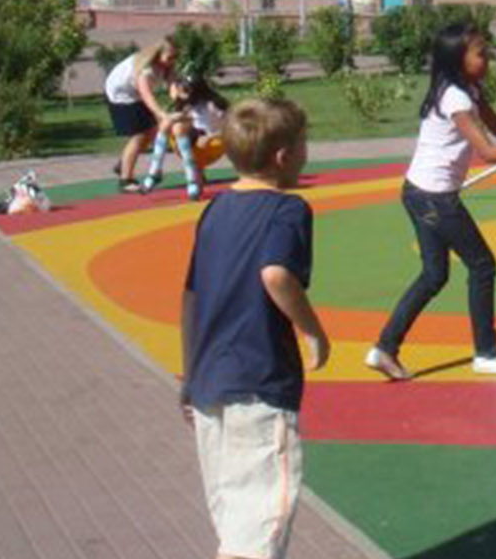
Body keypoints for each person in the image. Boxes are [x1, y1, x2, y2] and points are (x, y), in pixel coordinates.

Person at [180, 98, 328, 559]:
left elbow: (191, 296)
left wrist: (190, 374)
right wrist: (312, 331)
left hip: (209, 381)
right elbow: (276, 274)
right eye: (303, 143)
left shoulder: (215, 209)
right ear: (284, 155)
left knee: (235, 516)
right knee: (261, 520)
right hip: (259, 381)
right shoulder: (288, 210)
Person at [366, 24, 496, 381]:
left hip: (418, 193)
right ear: (458, 59)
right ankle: (486, 353)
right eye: (480, 53)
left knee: (434, 275)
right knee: (482, 265)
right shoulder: (455, 98)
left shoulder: (468, 90)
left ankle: (384, 348)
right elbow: (488, 151)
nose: (487, 59)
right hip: (434, 198)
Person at [104, 38, 177, 192]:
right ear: (157, 55)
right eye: (170, 57)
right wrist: (161, 114)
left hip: (134, 93)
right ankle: (125, 180)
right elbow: (147, 96)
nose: (173, 60)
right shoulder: (145, 70)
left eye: (175, 56)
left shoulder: (167, 65)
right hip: (121, 95)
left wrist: (178, 98)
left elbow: (172, 84)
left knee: (152, 131)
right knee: (139, 136)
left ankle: (123, 163)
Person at [143, 75, 230, 200]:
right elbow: (186, 119)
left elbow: (233, 126)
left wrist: (210, 137)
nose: (179, 91)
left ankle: (191, 178)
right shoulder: (189, 104)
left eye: (183, 90)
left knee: (176, 126)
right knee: (170, 124)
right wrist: (174, 107)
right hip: (195, 140)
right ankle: (156, 170)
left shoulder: (213, 105)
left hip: (213, 142)